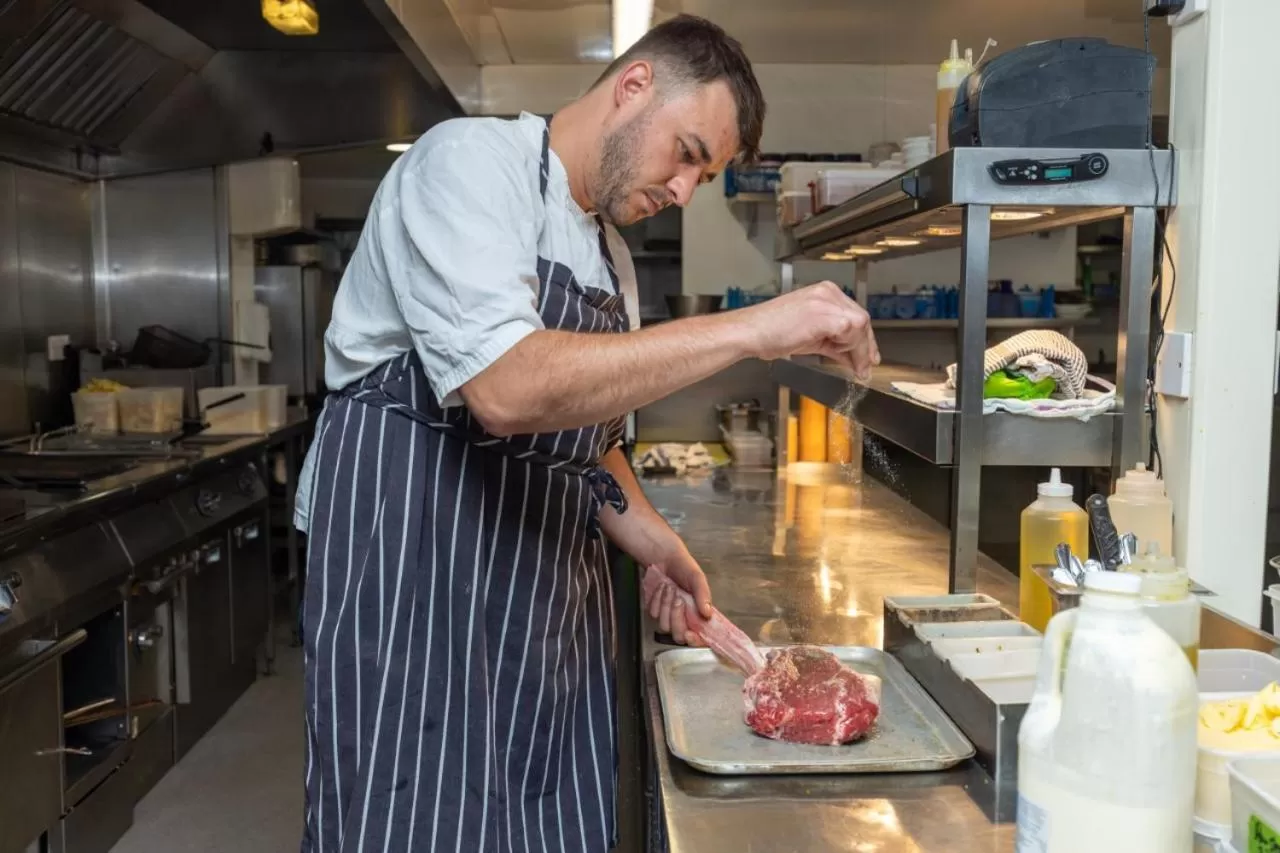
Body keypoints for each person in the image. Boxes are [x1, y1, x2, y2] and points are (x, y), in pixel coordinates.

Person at [294, 13, 878, 853]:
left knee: (547, 812)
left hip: (539, 586)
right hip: (411, 560)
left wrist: (655, 541)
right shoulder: (468, 163)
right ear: (633, 87)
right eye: (685, 154)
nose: (682, 191)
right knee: (410, 815)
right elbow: (508, 387)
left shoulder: (612, 258)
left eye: (702, 176)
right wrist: (752, 327)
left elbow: (591, 441)